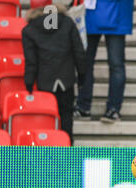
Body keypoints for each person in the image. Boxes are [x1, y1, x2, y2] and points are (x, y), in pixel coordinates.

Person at [22, 1, 86, 145]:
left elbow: (31, 61)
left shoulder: (29, 29)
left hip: (45, 81)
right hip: (66, 78)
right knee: (66, 118)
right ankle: (67, 150)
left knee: (47, 119)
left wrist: (29, 83)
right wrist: (82, 75)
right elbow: (79, 51)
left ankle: (48, 151)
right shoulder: (67, 22)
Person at [74, 0, 134, 123]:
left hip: (112, 15)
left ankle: (108, 107)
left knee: (113, 65)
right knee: (89, 64)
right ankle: (107, 108)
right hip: (95, 14)